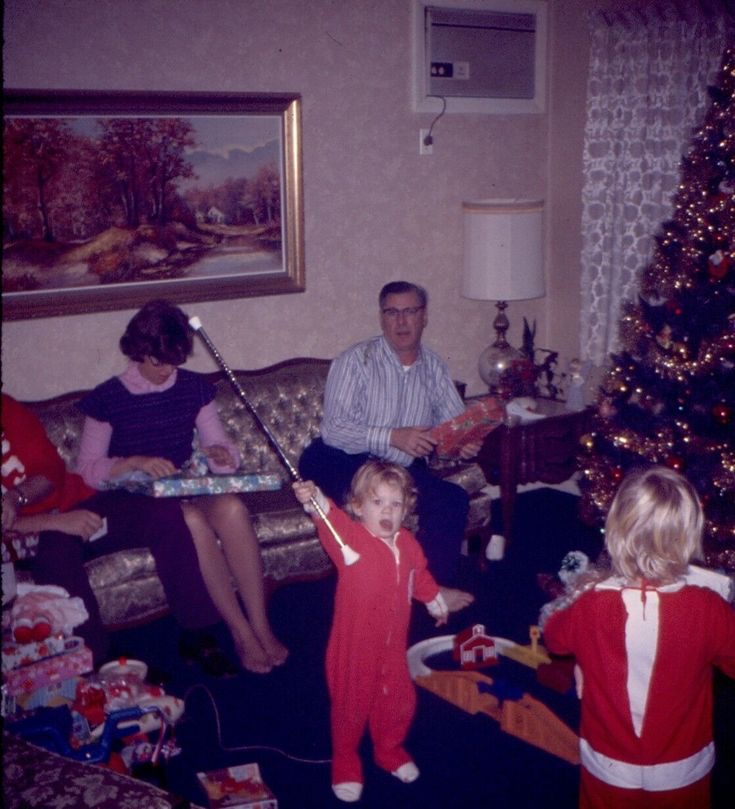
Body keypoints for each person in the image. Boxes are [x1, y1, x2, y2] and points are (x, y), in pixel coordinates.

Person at [75, 299, 288, 674]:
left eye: (175, 361)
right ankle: (240, 633)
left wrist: (223, 456)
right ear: (138, 350)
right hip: (139, 500)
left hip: (189, 483)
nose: (167, 370)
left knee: (233, 508)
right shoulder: (107, 398)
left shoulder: (194, 389)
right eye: (159, 362)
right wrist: (133, 463)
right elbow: (88, 470)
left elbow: (219, 447)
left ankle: (261, 624)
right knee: (189, 518)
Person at [540, 466, 735, 809]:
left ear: (615, 531)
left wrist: (579, 595)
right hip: (683, 766)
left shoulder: (591, 603)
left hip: (609, 764)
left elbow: (554, 637)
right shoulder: (710, 608)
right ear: (690, 535)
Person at [293, 460, 474, 803]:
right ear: (358, 507)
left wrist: (435, 600)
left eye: (396, 503)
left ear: (407, 508)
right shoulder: (350, 541)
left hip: (393, 646)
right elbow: (328, 517)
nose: (387, 511)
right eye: (377, 503)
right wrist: (313, 497)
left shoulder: (407, 543)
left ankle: (387, 749)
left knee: (399, 699)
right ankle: (345, 760)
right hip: (354, 647)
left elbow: (418, 576)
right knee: (351, 704)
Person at [2, 392, 223, 669]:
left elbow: (50, 469)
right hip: (28, 537)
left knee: (162, 513)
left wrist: (16, 497)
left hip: (76, 501)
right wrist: (55, 522)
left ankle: (197, 629)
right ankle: (98, 660)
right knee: (56, 555)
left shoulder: (6, 408)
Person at [298, 280, 481, 585]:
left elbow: (452, 426)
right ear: (381, 317)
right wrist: (393, 436)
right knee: (374, 503)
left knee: (452, 499)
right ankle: (377, 591)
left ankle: (430, 591)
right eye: (392, 312)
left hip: (399, 468)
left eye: (410, 311)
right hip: (341, 459)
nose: (401, 321)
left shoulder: (434, 367)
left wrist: (461, 444)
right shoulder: (356, 361)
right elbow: (334, 431)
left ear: (424, 317)